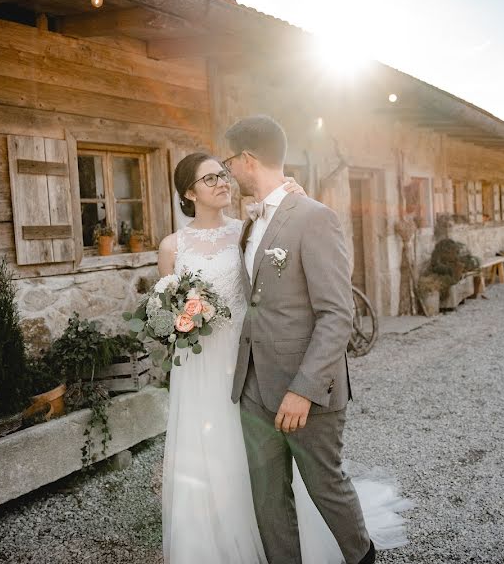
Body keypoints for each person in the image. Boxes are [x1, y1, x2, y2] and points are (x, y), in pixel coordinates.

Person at [158, 120, 409, 564]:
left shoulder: (312, 216)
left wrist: (303, 389)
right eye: (214, 175)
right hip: (249, 386)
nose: (227, 176)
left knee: (325, 487)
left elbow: (336, 313)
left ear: (247, 160)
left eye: (229, 165)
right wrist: (185, 314)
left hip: (301, 387)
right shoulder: (250, 226)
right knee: (269, 501)